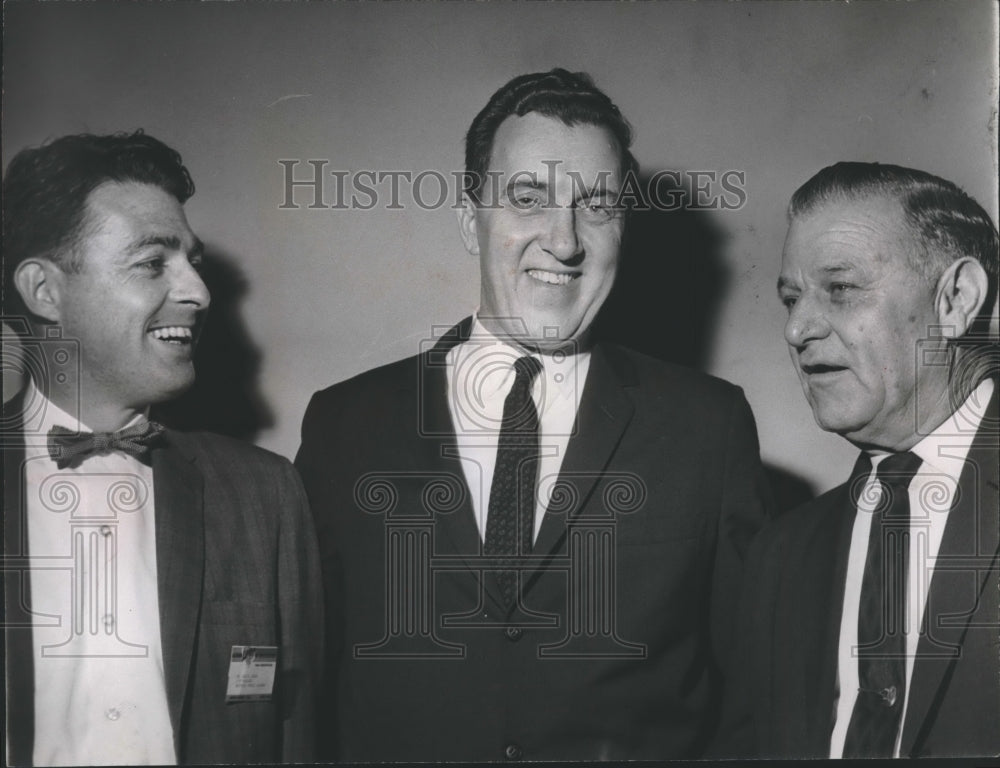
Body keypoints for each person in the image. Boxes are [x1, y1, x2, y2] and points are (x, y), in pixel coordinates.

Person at [296, 68, 770, 761]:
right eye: (528, 198)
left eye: (597, 206)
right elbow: (304, 695)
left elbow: (755, 704)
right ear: (469, 219)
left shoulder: (709, 428)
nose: (565, 240)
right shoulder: (344, 425)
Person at [2, 131, 322, 765]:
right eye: (154, 263)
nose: (198, 294)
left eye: (193, 262)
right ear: (44, 291)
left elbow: (298, 735)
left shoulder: (266, 494)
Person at [717, 162, 999, 758]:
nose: (797, 328)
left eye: (840, 289)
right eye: (791, 298)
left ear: (956, 300)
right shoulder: (779, 555)